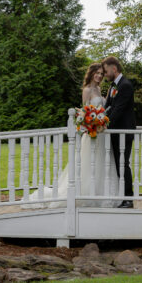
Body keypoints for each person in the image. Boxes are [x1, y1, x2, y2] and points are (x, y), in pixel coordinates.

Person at [24, 62, 114, 207]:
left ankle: (100, 194)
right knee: (88, 164)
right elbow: (85, 113)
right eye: (97, 73)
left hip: (101, 133)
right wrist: (93, 121)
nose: (99, 76)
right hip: (92, 132)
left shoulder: (98, 88)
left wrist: (101, 120)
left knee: (101, 164)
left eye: (101, 74)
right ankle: (86, 194)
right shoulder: (87, 90)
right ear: (91, 73)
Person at [102, 56, 137, 208]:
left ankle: (128, 199)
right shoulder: (113, 87)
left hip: (123, 133)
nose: (105, 74)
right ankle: (121, 196)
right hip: (114, 133)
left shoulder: (125, 85)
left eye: (106, 71)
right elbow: (108, 108)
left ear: (113, 69)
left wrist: (104, 126)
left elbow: (118, 111)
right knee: (117, 165)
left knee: (123, 164)